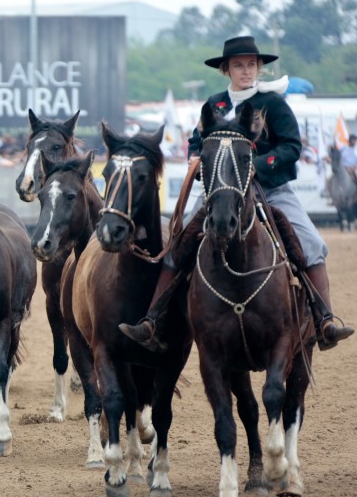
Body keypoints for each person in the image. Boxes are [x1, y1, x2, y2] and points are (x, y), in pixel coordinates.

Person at [120, 36, 354, 352]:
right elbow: (196, 139)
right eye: (238, 65)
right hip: (221, 192)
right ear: (226, 70)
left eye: (251, 65)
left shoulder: (273, 103)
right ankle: (153, 321)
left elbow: (292, 146)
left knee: (312, 244)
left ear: (259, 68)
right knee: (179, 244)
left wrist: (258, 165)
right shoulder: (214, 104)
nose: (246, 71)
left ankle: (324, 319)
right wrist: (194, 155)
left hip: (269, 190)